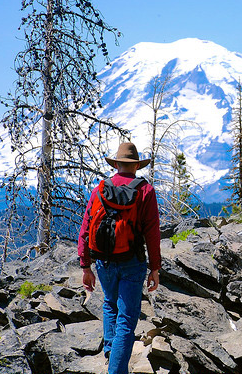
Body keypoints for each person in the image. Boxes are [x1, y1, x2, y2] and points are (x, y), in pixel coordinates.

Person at [78, 142, 161, 374]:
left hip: (103, 261)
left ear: (115, 164)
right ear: (136, 166)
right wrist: (155, 268)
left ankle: (110, 352)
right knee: (126, 319)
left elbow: (85, 228)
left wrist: (85, 266)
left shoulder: (101, 188)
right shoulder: (145, 191)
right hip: (132, 262)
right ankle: (116, 368)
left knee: (109, 304)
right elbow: (152, 233)